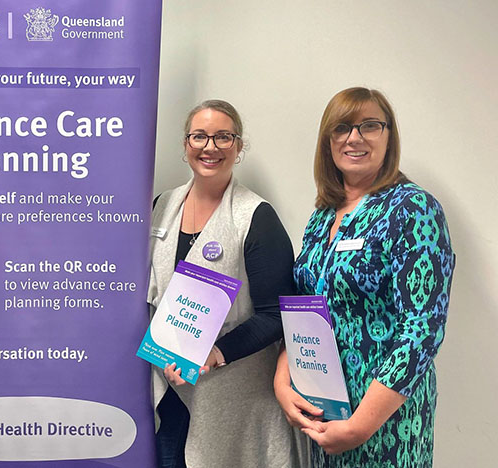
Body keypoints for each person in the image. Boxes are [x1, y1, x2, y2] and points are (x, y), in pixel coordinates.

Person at [273, 87, 455, 467]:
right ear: (329, 142)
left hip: (384, 419)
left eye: (369, 125)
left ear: (389, 136)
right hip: (324, 409)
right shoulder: (323, 214)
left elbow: (422, 329)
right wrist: (282, 379)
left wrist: (360, 426)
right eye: (342, 128)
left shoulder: (413, 209)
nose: (354, 138)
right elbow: (306, 307)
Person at [148, 100, 305, 468]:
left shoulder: (256, 217)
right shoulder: (162, 205)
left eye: (223, 137)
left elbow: (275, 314)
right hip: (170, 392)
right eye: (199, 136)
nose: (210, 147)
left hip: (234, 400)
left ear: (238, 146)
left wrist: (216, 352)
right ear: (186, 144)